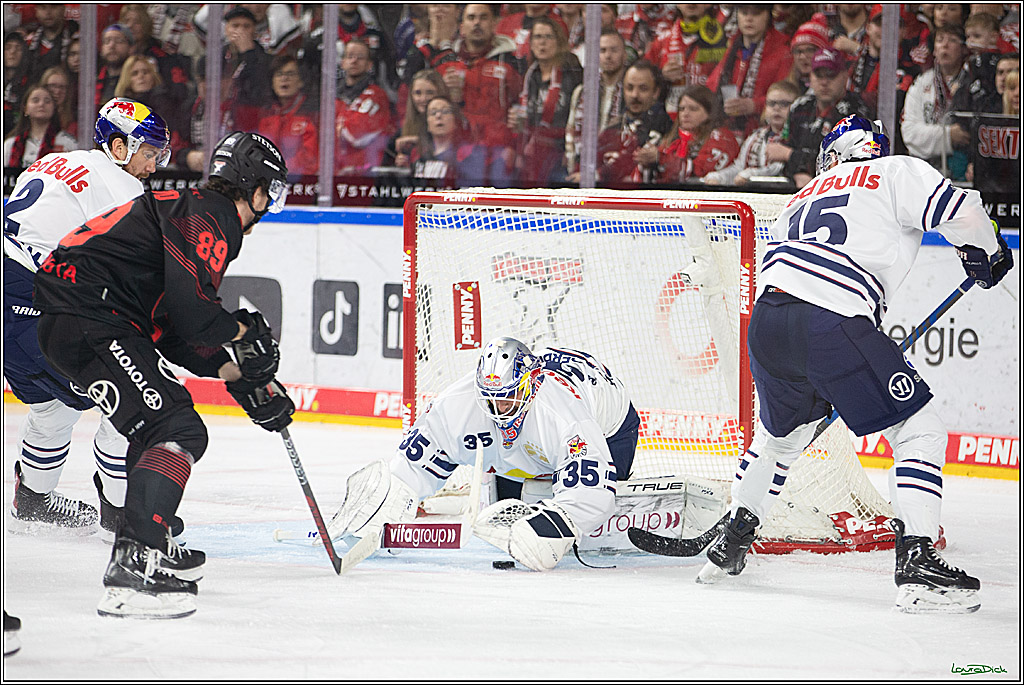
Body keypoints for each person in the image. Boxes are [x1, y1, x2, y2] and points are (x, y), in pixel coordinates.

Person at [700, 115, 1013, 615]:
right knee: (919, 429)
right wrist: (988, 252)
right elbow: (966, 211)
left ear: (830, 155)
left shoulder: (799, 197)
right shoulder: (894, 171)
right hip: (832, 319)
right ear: (873, 147)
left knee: (779, 438)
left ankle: (734, 536)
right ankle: (917, 563)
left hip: (768, 322)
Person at [32, 131, 296, 619]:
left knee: (156, 428)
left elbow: (172, 333)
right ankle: (132, 570)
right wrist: (243, 329)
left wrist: (234, 373)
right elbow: (195, 315)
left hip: (81, 321)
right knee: (176, 428)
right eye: (271, 192)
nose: (268, 206)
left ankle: (148, 537)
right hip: (92, 318)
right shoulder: (213, 217)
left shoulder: (191, 208)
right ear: (252, 184)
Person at [4, 99, 170, 541]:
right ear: (118, 146)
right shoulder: (125, 191)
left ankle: (34, 500)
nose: (155, 164)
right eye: (149, 152)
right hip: (33, 308)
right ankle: (123, 515)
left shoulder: (55, 161)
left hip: (13, 303)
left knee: (51, 406)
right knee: (130, 395)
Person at [329, 337, 640, 572]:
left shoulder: (564, 416)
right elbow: (412, 466)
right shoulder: (457, 405)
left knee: (591, 523)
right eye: (491, 399)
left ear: (530, 385)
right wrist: (386, 499)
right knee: (510, 505)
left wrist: (555, 525)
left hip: (611, 424)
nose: (499, 410)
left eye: (509, 398)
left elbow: (591, 494)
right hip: (526, 450)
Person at [433, 3, 524, 187]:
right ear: (462, 27)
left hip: (499, 156)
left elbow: (521, 108)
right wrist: (447, 93)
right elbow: (425, 107)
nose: (477, 23)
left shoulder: (512, 63)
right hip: (455, 153)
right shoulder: (445, 62)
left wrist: (515, 147)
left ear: (494, 24)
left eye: (483, 18)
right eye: (471, 18)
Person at [780, 48, 871, 188]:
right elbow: (780, 152)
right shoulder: (800, 107)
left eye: (830, 75)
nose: (824, 82)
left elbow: (848, 164)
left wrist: (792, 156)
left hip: (838, 189)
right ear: (810, 76)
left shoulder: (856, 113)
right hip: (794, 187)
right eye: (819, 75)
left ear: (845, 76)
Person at [509, 17, 582, 185]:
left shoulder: (572, 72)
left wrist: (573, 154)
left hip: (562, 155)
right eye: (538, 37)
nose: (542, 43)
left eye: (548, 37)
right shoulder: (530, 76)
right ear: (531, 43)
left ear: (559, 41)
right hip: (534, 154)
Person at [706, 4, 793, 138]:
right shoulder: (734, 46)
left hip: (766, 132)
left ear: (768, 16)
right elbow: (712, 86)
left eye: (756, 14)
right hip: (728, 129)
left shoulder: (783, 50)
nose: (749, 19)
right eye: (744, 13)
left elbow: (788, 96)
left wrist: (754, 105)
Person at [902, 25, 972, 175]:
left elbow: (969, 136)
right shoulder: (921, 83)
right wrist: (948, 135)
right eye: (940, 40)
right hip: (924, 170)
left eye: (952, 40)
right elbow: (909, 132)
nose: (945, 45)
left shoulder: (972, 83)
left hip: (962, 169)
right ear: (934, 50)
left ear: (963, 49)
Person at [703, 80, 799, 186]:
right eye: (771, 103)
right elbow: (739, 168)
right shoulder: (756, 136)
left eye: (784, 104)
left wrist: (750, 175)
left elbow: (778, 170)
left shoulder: (797, 137)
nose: (776, 108)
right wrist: (719, 177)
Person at [644, 4, 728, 118]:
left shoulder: (722, 39)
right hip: (669, 120)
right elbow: (643, 80)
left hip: (708, 117)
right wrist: (661, 76)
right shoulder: (661, 41)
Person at [564, 28, 627, 181]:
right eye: (603, 50)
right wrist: (573, 167)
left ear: (625, 55)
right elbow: (571, 132)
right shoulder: (582, 91)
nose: (608, 56)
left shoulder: (632, 90)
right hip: (580, 171)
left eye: (614, 50)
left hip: (616, 173)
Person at [597, 60, 673, 184]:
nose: (635, 95)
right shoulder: (614, 126)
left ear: (656, 92)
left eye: (643, 89)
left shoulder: (667, 128)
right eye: (629, 88)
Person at [656, 84, 739, 183]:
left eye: (693, 109)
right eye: (682, 109)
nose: (685, 114)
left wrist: (661, 159)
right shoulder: (672, 139)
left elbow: (701, 172)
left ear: (709, 113)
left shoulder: (722, 137)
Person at [335, 38, 394, 173]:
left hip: (364, 174)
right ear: (342, 62)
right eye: (350, 56)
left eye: (360, 57)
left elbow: (356, 135)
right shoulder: (333, 97)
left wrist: (341, 125)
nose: (354, 61)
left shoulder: (377, 95)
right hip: (336, 172)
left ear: (369, 65)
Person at [403, 95, 488, 186]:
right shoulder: (417, 154)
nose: (439, 116)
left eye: (445, 111)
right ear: (427, 123)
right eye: (433, 112)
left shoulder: (469, 153)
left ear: (455, 121)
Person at [258, 54, 319, 176]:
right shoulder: (266, 116)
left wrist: (278, 170)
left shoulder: (311, 113)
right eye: (279, 74)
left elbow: (310, 160)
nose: (284, 78)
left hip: (302, 183)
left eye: (290, 74)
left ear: (301, 81)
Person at [382, 68, 447, 168]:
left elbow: (449, 148)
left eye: (430, 93)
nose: (423, 98)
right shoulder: (404, 129)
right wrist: (401, 164)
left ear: (440, 93)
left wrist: (418, 141)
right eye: (418, 93)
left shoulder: (451, 122)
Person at [3, 85, 78, 168]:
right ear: (25, 108)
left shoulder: (67, 142)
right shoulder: (10, 144)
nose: (41, 104)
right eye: (35, 100)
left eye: (47, 101)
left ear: (54, 108)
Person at [95, 24, 135, 110]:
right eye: (107, 41)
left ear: (131, 48)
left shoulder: (137, 78)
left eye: (119, 41)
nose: (111, 46)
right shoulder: (93, 78)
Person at [39, 66, 76, 138]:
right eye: (52, 86)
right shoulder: (35, 118)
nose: (57, 91)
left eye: (62, 87)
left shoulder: (72, 125)